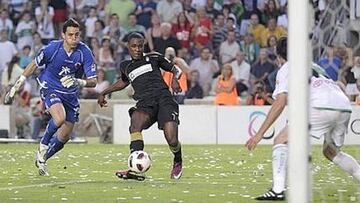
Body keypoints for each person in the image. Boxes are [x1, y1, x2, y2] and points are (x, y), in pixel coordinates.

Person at [245, 37, 360, 201]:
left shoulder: (286, 67)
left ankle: (277, 190)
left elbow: (281, 102)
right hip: (343, 105)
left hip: (320, 106)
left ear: (279, 55)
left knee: (280, 140)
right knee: (331, 152)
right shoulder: (314, 65)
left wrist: (259, 134)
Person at [4, 18, 98, 176]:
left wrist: (79, 81)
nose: (74, 38)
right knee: (59, 118)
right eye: (70, 35)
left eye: (77, 35)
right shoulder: (52, 48)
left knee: (65, 136)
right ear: (63, 35)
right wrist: (16, 86)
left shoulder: (85, 52)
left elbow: (93, 81)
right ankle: (43, 144)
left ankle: (42, 158)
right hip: (50, 86)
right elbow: (34, 64)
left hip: (70, 94)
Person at [97, 32, 183, 180]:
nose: (137, 49)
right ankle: (134, 169)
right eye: (133, 46)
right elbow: (123, 82)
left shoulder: (154, 57)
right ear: (128, 47)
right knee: (135, 124)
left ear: (144, 45)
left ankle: (178, 159)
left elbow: (176, 69)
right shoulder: (125, 66)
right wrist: (104, 92)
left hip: (164, 99)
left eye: (140, 46)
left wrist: (175, 78)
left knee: (172, 140)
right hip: (145, 102)